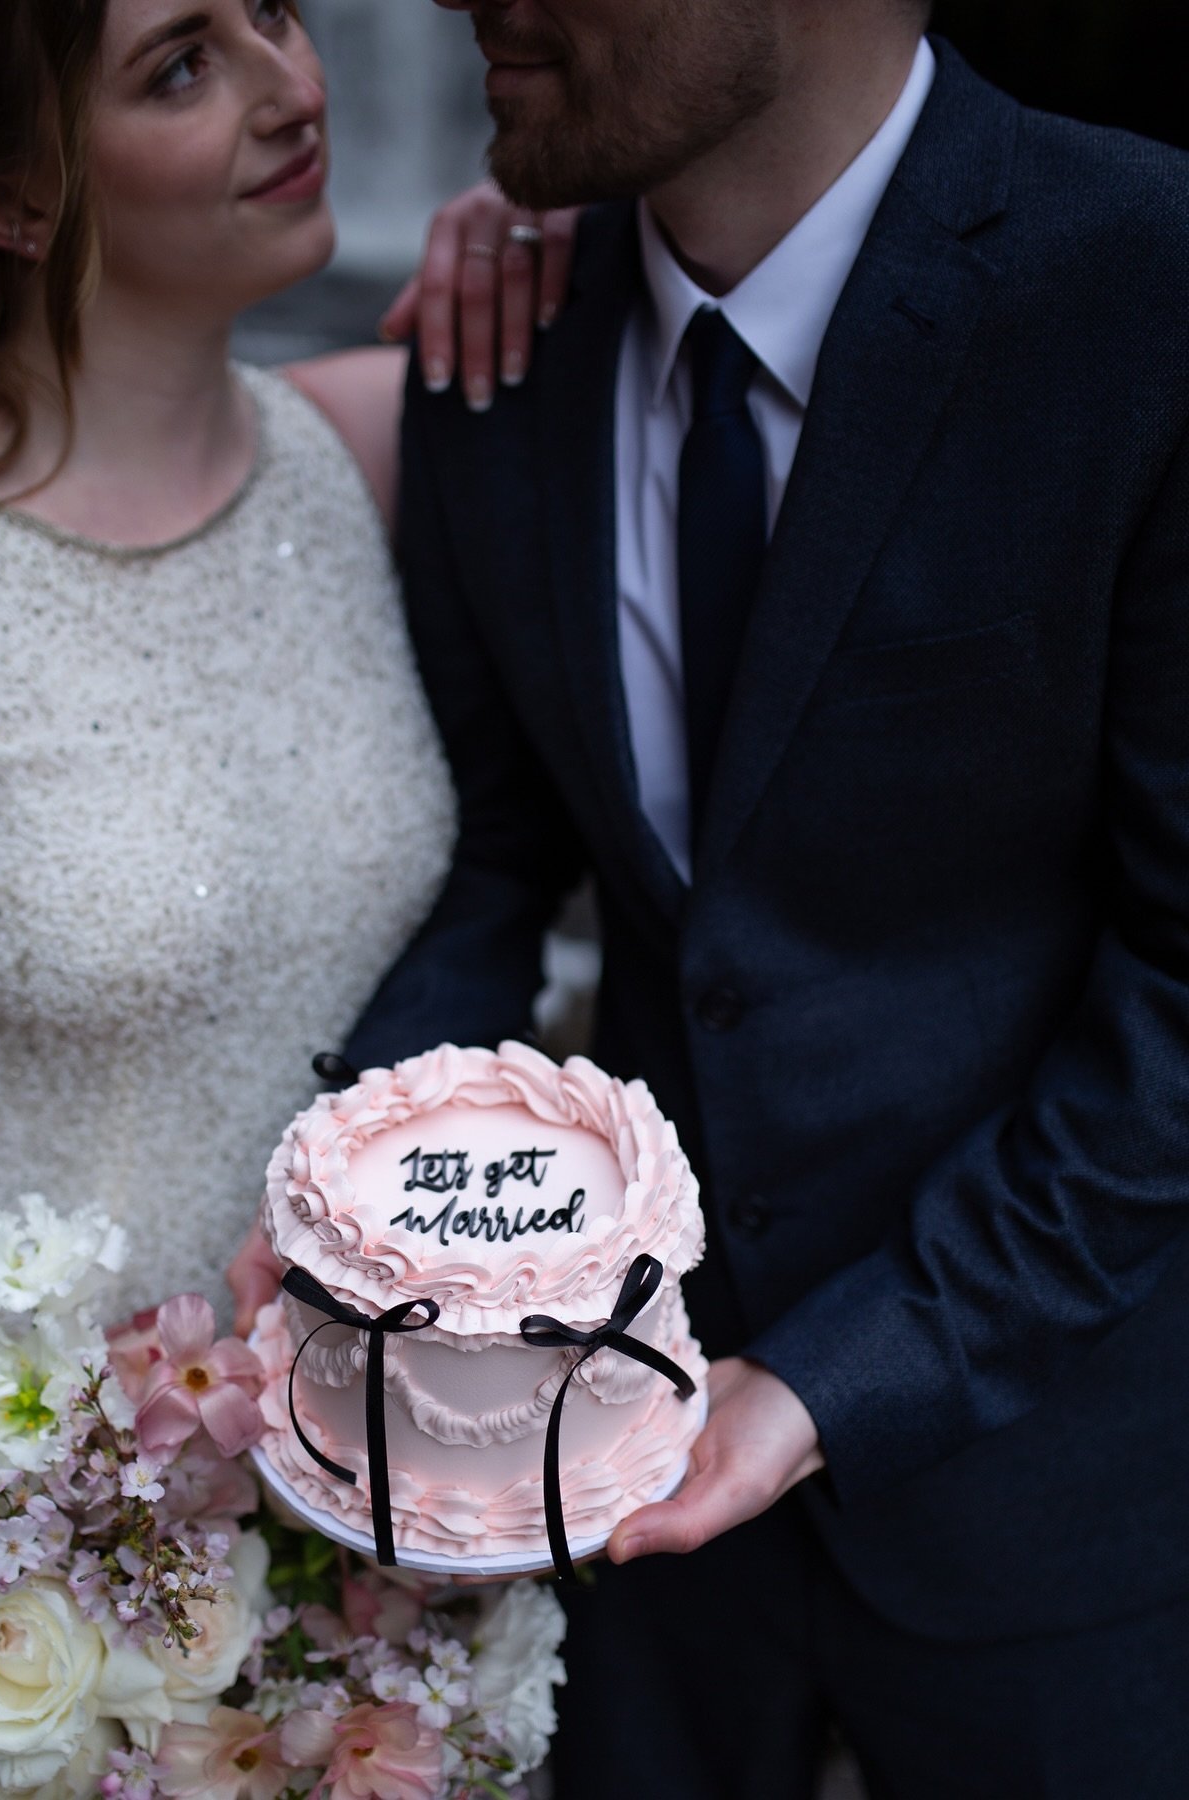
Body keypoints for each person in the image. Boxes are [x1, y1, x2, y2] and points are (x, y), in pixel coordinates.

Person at [235, 0, 1189, 1792]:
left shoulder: (1149, 289)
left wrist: (845, 1378)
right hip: (602, 1491)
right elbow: (499, 860)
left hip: (1070, 1496)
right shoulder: (494, 333)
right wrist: (345, 1199)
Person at [0, 0, 565, 1523]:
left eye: (272, 13)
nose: (293, 87)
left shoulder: (370, 451)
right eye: (183, 67)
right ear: (6, 201)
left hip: (353, 1499)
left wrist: (535, 226)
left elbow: (706, 307)